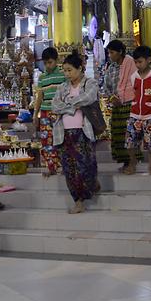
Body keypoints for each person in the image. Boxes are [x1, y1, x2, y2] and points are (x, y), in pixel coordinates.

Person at [51, 52, 100, 214]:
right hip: (64, 133)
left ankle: (91, 185)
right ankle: (78, 201)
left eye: (70, 70)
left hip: (84, 132)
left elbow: (89, 98)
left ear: (80, 68)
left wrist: (68, 104)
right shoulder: (62, 87)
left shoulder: (90, 83)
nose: (67, 74)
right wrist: (73, 106)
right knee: (69, 169)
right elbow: (55, 106)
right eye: (64, 70)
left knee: (86, 165)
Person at [125, 46, 151, 175]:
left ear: (149, 60)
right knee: (130, 141)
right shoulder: (133, 76)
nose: (138, 64)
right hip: (134, 114)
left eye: (140, 61)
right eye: (136, 62)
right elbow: (134, 92)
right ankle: (133, 162)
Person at [31, 47, 65, 176]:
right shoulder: (42, 77)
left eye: (50, 62)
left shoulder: (63, 74)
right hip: (45, 113)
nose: (48, 65)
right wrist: (36, 114)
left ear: (56, 60)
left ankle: (63, 166)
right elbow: (39, 97)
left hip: (59, 113)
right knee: (46, 141)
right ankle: (51, 167)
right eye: (45, 63)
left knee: (60, 139)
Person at [106, 39, 136, 171]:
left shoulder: (130, 63)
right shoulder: (111, 67)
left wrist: (124, 97)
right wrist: (112, 97)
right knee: (118, 135)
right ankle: (125, 162)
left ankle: (132, 162)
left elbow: (134, 82)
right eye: (109, 53)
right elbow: (107, 86)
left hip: (129, 104)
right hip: (116, 105)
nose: (110, 55)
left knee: (128, 134)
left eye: (112, 52)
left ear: (120, 52)